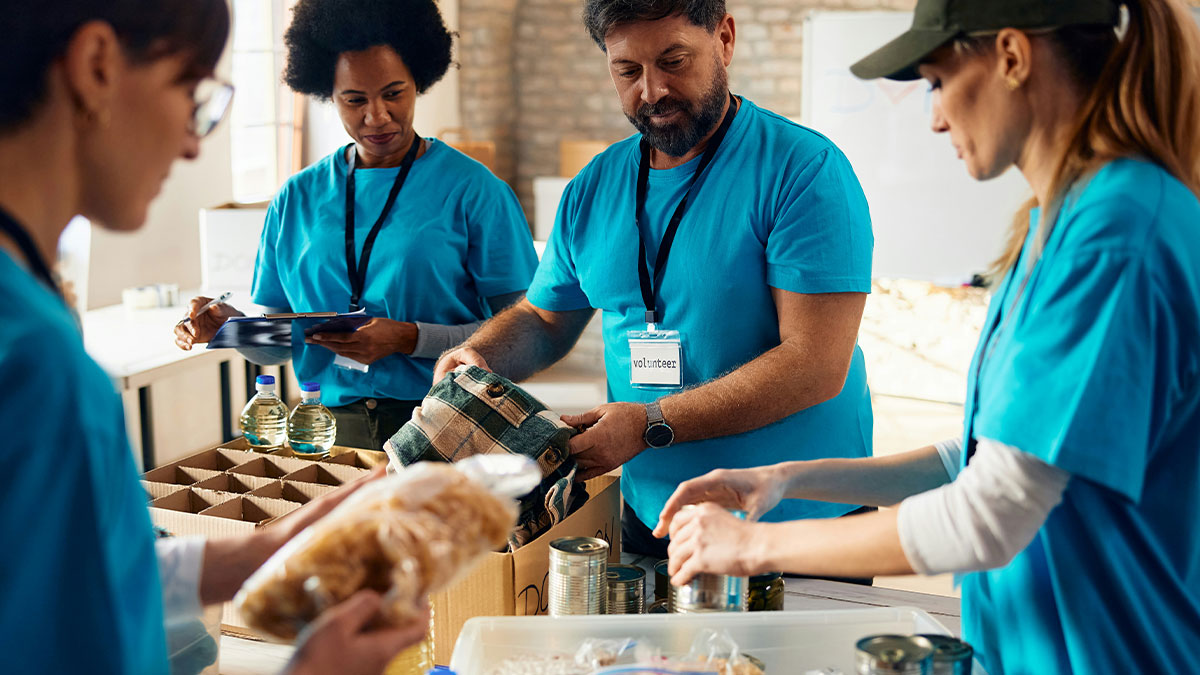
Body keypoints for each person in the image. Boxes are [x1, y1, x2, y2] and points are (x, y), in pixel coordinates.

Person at [656, 0, 1200, 672]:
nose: (936, 116)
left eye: (939, 82)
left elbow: (989, 513)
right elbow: (980, 456)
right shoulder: (1052, 227)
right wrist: (784, 478)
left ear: (1011, 56)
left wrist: (747, 549)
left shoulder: (1116, 237)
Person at [0, 2, 429, 672]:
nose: (193, 143)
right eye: (190, 88)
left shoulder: (30, 308)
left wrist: (264, 551)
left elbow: (86, 569)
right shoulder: (33, 360)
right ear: (95, 66)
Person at [435, 0, 875, 560]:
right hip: (654, 519)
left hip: (798, 525)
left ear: (725, 39)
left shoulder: (803, 171)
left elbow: (815, 364)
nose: (652, 91)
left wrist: (649, 425)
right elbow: (545, 319)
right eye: (628, 71)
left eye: (673, 61)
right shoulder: (594, 187)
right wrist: (482, 355)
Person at [175, 0, 538, 450]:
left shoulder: (475, 191)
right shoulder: (296, 198)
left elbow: (524, 335)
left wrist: (409, 338)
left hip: (445, 423)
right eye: (355, 100)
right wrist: (230, 329)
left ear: (418, 83)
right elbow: (282, 343)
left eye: (393, 93)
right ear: (328, 95)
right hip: (327, 427)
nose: (377, 116)